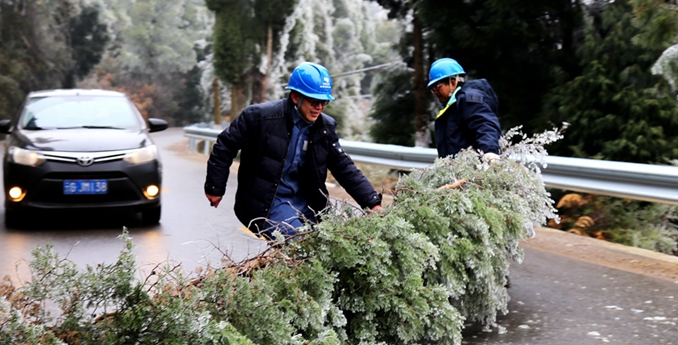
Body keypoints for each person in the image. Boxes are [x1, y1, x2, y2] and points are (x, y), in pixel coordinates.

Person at [204, 62, 383, 238]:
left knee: (331, 242)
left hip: (306, 202)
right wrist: (215, 187)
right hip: (268, 201)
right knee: (301, 241)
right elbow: (225, 146)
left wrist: (372, 203)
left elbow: (343, 166)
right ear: (296, 97)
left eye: (324, 102)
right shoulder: (259, 117)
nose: (319, 107)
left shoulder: (325, 128)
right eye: (314, 101)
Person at [426, 57, 502, 162]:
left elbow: (484, 124)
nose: (435, 92)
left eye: (437, 87)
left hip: (474, 170)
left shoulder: (468, 100)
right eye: (432, 89)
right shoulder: (451, 106)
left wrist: (489, 152)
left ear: (453, 82)